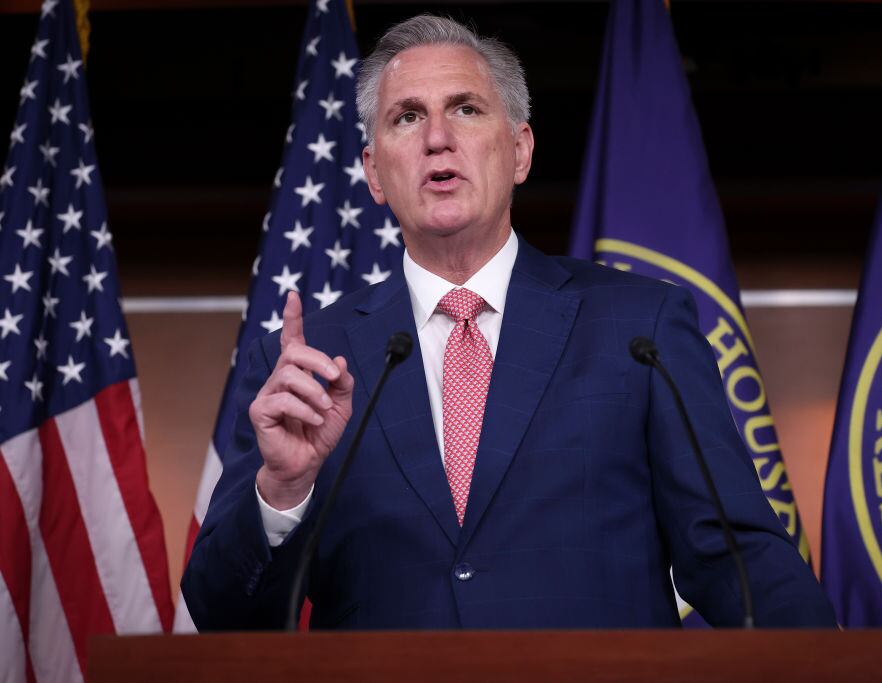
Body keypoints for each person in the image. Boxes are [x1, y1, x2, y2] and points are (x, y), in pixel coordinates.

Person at [182, 14, 836, 630]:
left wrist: (835, 662)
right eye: (407, 117)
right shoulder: (307, 361)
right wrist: (283, 489)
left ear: (520, 151)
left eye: (466, 109)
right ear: (374, 174)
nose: (437, 138)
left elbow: (737, 558)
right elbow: (221, 613)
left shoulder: (641, 329)